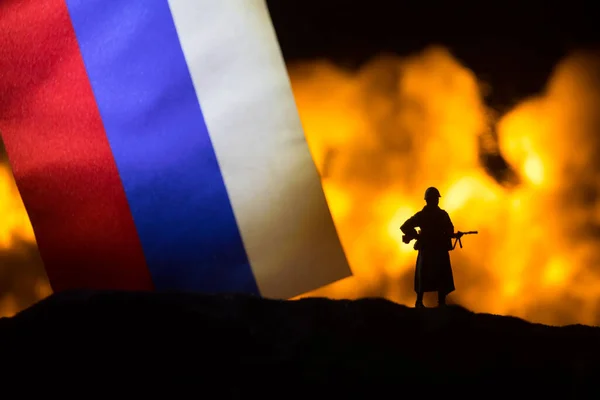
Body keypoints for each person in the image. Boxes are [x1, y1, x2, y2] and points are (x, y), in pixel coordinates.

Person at [400, 187, 462, 308]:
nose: (435, 201)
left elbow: (449, 230)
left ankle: (433, 302)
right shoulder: (438, 215)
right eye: (434, 199)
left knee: (434, 275)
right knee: (431, 275)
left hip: (431, 250)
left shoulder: (424, 215)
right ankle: (425, 302)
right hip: (432, 250)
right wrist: (415, 235)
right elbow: (405, 227)